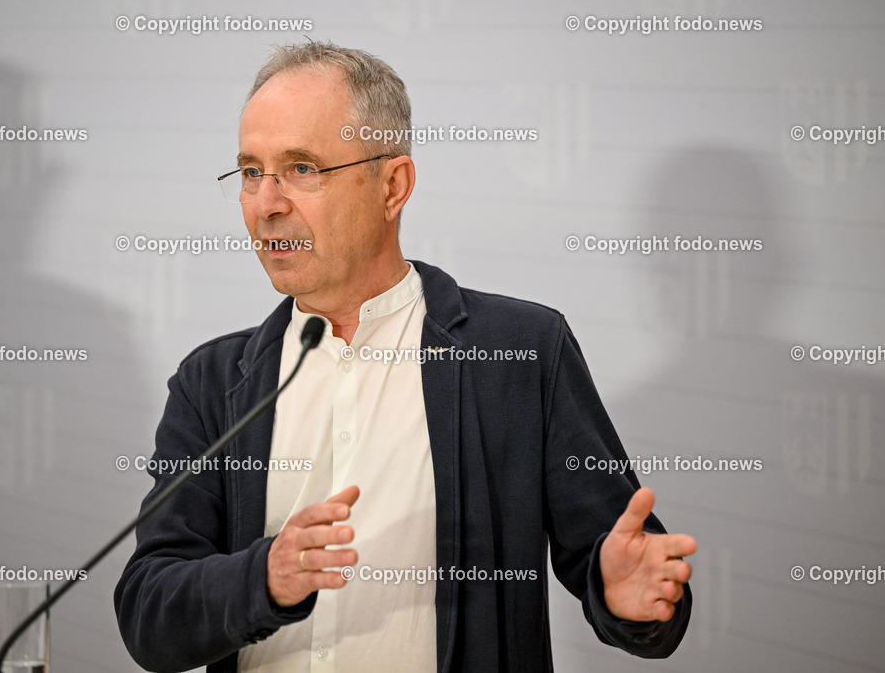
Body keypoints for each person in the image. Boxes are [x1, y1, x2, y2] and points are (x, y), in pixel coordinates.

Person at [115, 41, 695, 672]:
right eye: (251, 172)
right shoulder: (211, 383)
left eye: (302, 168)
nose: (266, 203)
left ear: (392, 186)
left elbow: (624, 565)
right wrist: (265, 578)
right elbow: (150, 615)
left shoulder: (522, 353)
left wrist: (628, 601)